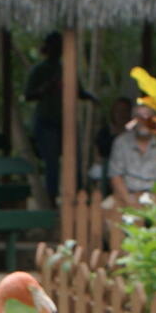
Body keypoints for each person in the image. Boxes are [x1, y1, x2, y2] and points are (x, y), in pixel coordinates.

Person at [21, 33, 96, 201]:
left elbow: (79, 92)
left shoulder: (67, 70)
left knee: (74, 161)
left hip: (66, 122)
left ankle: (79, 197)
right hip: (47, 121)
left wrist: (91, 98)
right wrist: (44, 89)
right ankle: (51, 199)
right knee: (52, 164)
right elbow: (27, 96)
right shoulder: (39, 70)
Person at [107, 101, 156, 201]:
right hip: (128, 195)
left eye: (148, 116)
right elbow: (115, 176)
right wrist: (128, 200)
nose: (143, 120)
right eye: (138, 116)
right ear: (132, 120)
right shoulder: (121, 142)